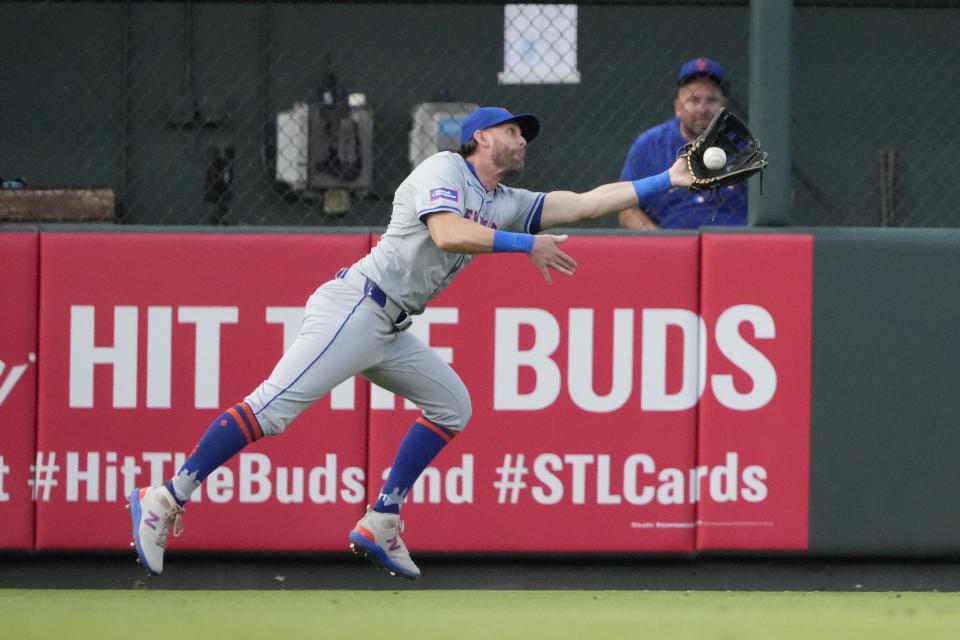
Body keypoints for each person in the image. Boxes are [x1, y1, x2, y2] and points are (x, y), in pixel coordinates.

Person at [127, 106, 694, 579]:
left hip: (391, 326)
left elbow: (589, 200)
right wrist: (526, 245)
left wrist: (667, 180)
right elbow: (448, 232)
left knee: (452, 405)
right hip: (356, 308)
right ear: (482, 136)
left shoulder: (506, 200)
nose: (522, 140)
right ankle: (166, 497)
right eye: (514, 131)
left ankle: (381, 519)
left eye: (524, 135)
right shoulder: (443, 166)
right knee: (270, 411)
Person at [618, 57, 748, 229]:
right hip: (671, 244)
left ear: (723, 106)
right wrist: (663, 244)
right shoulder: (649, 144)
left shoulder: (743, 144)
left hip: (732, 244)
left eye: (711, 100)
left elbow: (770, 199)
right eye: (694, 100)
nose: (703, 109)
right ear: (678, 107)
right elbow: (627, 209)